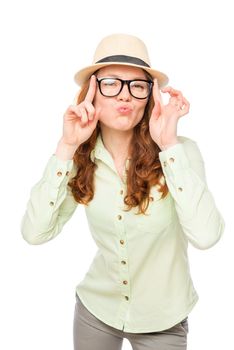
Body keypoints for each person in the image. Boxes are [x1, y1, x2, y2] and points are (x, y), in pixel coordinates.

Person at [21, 33, 225, 350]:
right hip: (96, 311)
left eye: (137, 86)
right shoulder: (80, 159)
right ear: (91, 92)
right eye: (111, 84)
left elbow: (206, 236)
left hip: (163, 320)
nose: (125, 96)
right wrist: (66, 147)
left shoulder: (180, 154)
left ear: (149, 96)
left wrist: (168, 145)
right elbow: (35, 233)